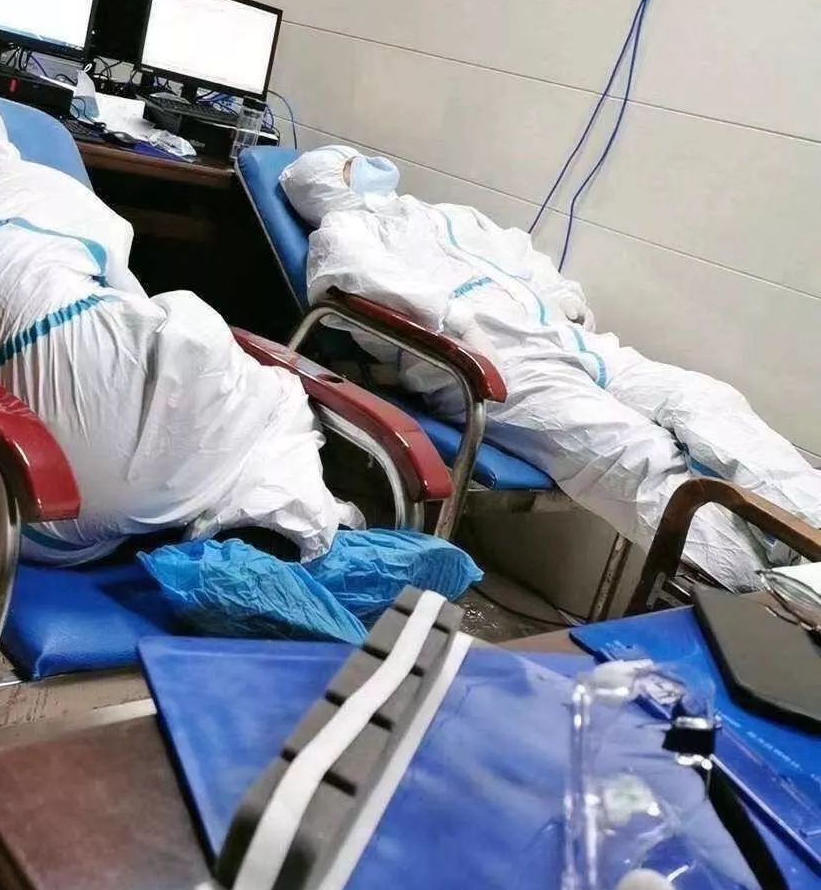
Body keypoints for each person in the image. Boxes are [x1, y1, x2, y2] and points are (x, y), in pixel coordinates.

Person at [0, 67, 356, 564]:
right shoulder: (44, 186)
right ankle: (274, 516)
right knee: (263, 388)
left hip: (6, 509)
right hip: (148, 475)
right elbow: (128, 294)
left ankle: (230, 513)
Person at [280, 144, 821, 590]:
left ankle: (811, 531)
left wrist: (564, 300)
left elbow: (522, 257)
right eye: (350, 165)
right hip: (495, 368)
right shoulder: (343, 234)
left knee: (707, 401)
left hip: (576, 343)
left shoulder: (446, 216)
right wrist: (459, 322)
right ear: (327, 187)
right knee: (640, 456)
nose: (368, 165)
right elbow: (360, 288)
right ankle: (775, 594)